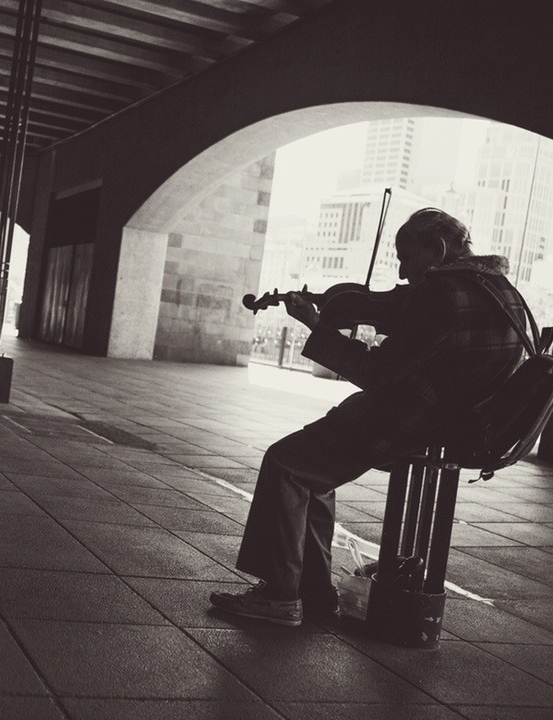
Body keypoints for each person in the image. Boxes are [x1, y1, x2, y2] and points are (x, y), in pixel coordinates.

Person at [209, 208, 525, 626]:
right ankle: (315, 592)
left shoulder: (441, 292)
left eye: (407, 258)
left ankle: (280, 597)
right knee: (313, 472)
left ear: (439, 249)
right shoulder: (502, 292)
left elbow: (378, 374)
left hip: (409, 419)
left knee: (286, 462)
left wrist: (318, 327)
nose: (402, 270)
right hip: (454, 420)